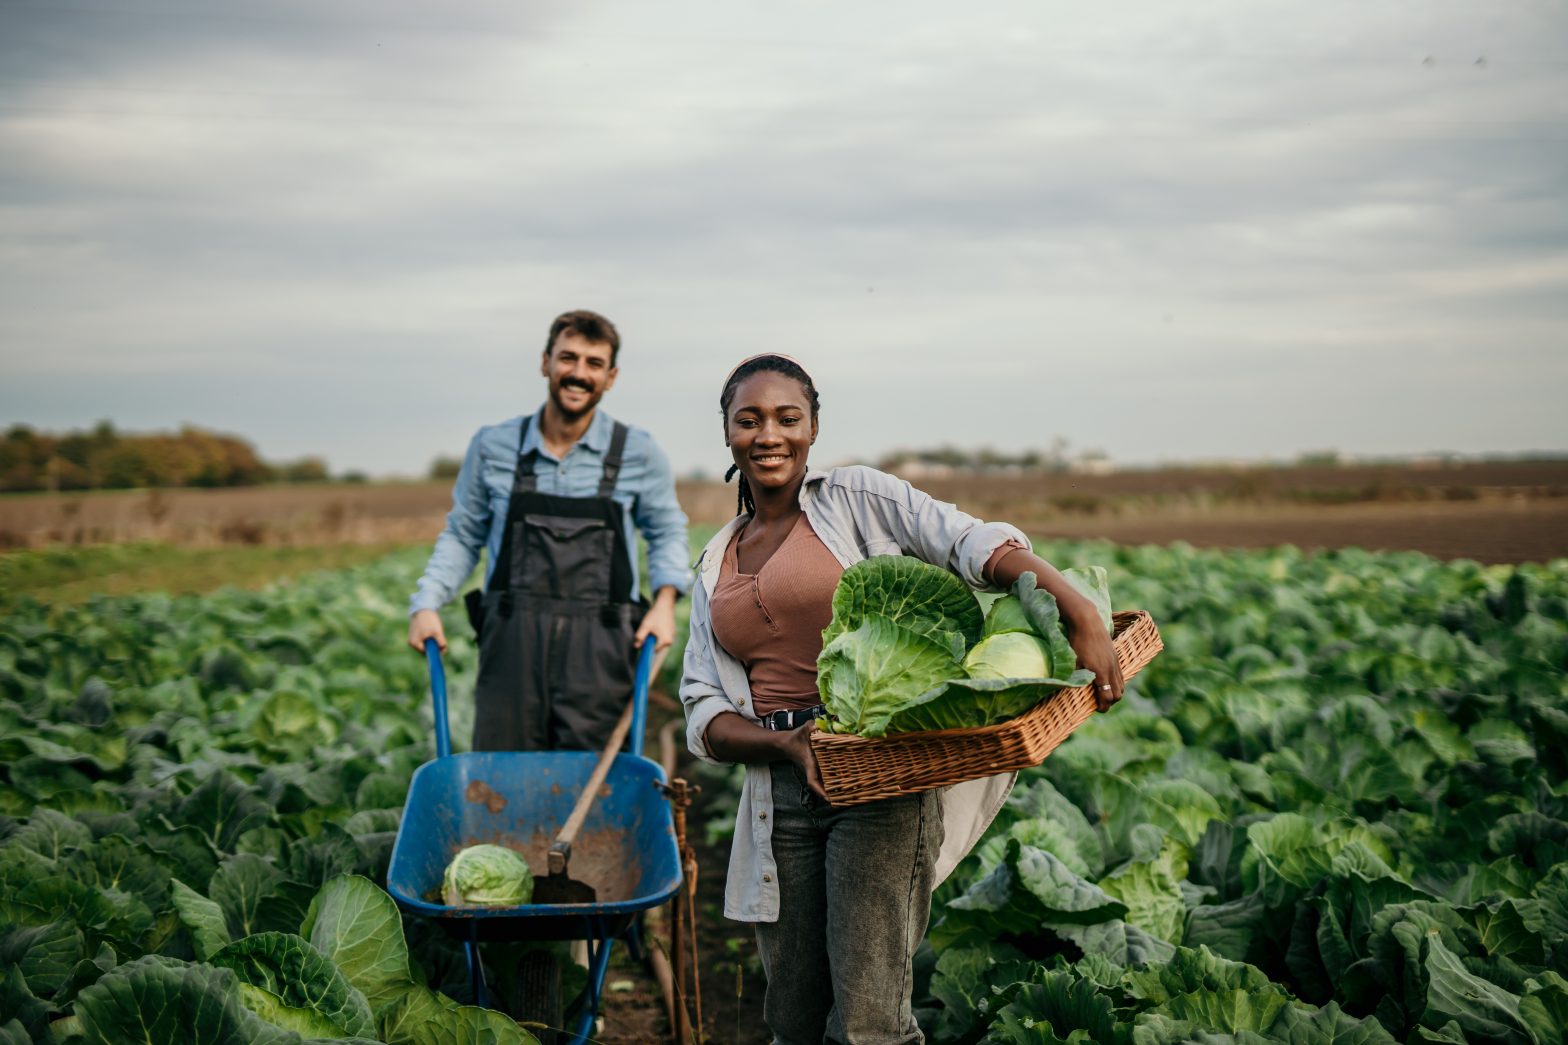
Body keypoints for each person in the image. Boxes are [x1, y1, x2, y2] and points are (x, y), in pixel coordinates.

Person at [680, 354, 1124, 1044]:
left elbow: (970, 541)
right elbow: (702, 708)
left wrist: (1074, 606)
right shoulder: (715, 560)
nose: (769, 433)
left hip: (880, 777)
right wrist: (785, 745)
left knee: (868, 1021)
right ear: (729, 434)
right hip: (782, 793)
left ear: (813, 428)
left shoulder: (854, 496)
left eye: (787, 417)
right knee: (792, 1019)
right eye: (750, 419)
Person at [409, 309, 690, 752]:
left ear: (610, 376)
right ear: (545, 363)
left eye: (594, 364)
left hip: (600, 651)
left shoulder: (637, 452)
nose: (579, 374)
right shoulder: (493, 446)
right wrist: (426, 603)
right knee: (503, 782)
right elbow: (463, 535)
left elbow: (667, 532)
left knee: (593, 787)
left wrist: (665, 602)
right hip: (511, 648)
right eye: (568, 358)